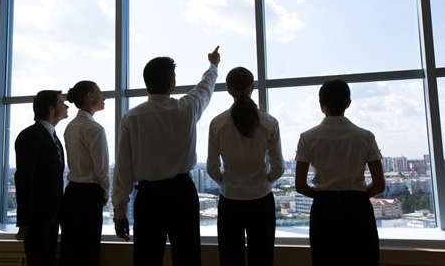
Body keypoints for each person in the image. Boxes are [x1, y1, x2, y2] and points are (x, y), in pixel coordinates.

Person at [112, 46, 221, 266]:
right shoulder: (187, 108)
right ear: (171, 85)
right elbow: (205, 88)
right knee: (188, 258)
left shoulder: (131, 118)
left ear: (146, 84)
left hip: (149, 198)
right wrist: (213, 65)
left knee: (147, 259)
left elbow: (123, 168)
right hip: (182, 195)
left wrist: (119, 211)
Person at [295, 79, 386, 266]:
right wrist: (358, 195)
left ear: (321, 105)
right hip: (358, 209)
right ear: (349, 104)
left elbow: (300, 185)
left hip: (324, 209)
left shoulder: (307, 138)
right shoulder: (366, 136)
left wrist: (321, 195)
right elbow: (379, 184)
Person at [207, 67, 284, 266]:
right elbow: (279, 167)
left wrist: (226, 182)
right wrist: (264, 181)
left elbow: (212, 168)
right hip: (261, 200)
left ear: (228, 89)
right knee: (263, 258)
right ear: (252, 88)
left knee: (230, 259)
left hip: (230, 201)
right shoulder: (269, 122)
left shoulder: (217, 123)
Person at [59, 81, 111, 266]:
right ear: (89, 96)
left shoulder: (70, 127)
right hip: (89, 195)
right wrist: (106, 193)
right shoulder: (94, 128)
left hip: (72, 193)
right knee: (88, 251)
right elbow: (102, 169)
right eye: (100, 93)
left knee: (71, 250)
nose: (103, 98)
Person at [14, 90, 69, 266]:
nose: (66, 106)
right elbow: (24, 179)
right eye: (62, 103)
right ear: (51, 108)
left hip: (51, 218)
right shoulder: (30, 136)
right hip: (37, 220)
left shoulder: (53, 138)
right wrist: (24, 221)